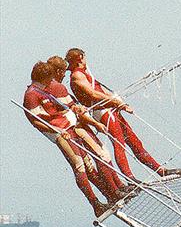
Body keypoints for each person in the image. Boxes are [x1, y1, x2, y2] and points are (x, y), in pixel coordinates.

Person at [23, 62, 131, 217]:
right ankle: (96, 204)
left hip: (69, 126)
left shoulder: (42, 90)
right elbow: (36, 121)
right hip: (61, 133)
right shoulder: (31, 95)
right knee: (79, 166)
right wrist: (57, 130)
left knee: (88, 163)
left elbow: (64, 106)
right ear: (43, 78)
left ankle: (109, 196)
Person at [65, 48, 181, 180]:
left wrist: (120, 103)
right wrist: (114, 102)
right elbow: (92, 93)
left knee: (134, 142)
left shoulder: (85, 73)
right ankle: (129, 177)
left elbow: (100, 90)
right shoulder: (77, 75)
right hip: (103, 112)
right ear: (81, 57)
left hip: (111, 109)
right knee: (119, 143)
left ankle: (160, 170)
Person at [47, 55, 129, 197]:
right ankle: (115, 190)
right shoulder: (57, 87)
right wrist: (95, 123)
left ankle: (117, 188)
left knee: (95, 159)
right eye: (64, 72)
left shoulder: (49, 88)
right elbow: (75, 109)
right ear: (59, 71)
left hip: (73, 127)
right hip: (76, 127)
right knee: (101, 155)